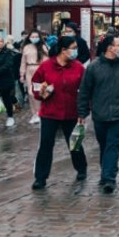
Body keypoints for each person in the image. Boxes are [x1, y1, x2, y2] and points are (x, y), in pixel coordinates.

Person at [77, 33, 119, 194]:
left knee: (113, 145)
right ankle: (105, 171)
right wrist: (82, 112)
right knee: (104, 145)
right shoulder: (94, 67)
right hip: (100, 114)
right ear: (110, 48)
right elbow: (85, 91)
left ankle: (109, 178)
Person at [30, 34, 88, 190]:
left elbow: (85, 90)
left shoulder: (78, 67)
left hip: (72, 112)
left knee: (75, 142)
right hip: (50, 112)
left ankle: (81, 168)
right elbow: (35, 84)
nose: (76, 51)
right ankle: (40, 177)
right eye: (73, 48)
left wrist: (83, 111)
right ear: (63, 50)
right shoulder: (46, 66)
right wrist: (41, 92)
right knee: (46, 144)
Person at [20, 30, 49, 124]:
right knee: (30, 93)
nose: (34, 38)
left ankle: (39, 113)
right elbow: (23, 61)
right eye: (32, 37)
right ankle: (34, 113)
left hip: (39, 70)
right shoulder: (26, 47)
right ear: (29, 37)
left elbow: (46, 61)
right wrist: (22, 74)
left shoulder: (43, 47)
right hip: (29, 69)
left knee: (38, 92)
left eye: (36, 37)